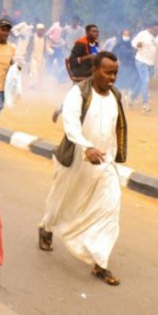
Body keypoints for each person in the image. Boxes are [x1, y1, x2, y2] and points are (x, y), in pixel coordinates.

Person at [38, 51, 127, 285]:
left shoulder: (116, 95)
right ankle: (46, 227)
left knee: (110, 208)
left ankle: (100, 263)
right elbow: (71, 124)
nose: (112, 77)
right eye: (108, 72)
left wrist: (113, 158)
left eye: (115, 73)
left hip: (104, 162)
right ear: (95, 70)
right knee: (61, 201)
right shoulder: (79, 93)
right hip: (76, 159)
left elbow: (114, 128)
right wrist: (87, 147)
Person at [52, 24, 100, 122]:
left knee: (93, 98)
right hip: (81, 75)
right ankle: (60, 109)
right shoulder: (81, 44)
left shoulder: (96, 44)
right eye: (93, 31)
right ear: (87, 33)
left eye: (97, 31)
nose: (96, 33)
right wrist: (87, 57)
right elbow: (72, 60)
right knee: (74, 97)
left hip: (91, 75)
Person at [129, 21, 158, 113]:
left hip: (151, 63)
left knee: (142, 81)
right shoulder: (143, 34)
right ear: (150, 28)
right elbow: (133, 42)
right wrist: (138, 44)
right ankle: (145, 104)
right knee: (146, 80)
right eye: (155, 30)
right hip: (141, 61)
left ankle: (131, 97)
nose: (156, 32)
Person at [27, 23, 48, 89]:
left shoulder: (44, 38)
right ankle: (32, 85)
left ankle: (37, 85)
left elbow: (45, 47)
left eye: (42, 30)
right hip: (34, 57)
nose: (40, 31)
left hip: (41, 58)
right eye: (39, 30)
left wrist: (48, 53)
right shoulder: (33, 37)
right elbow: (29, 47)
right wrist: (27, 56)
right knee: (34, 72)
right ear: (37, 30)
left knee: (40, 72)